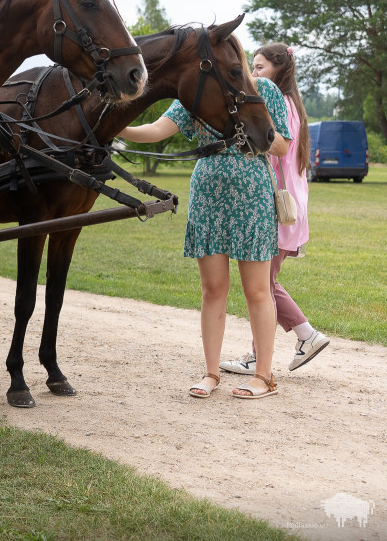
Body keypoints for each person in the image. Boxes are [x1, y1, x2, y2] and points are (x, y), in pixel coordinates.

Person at [119, 46, 291, 400]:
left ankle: (264, 376)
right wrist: (119, 128)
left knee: (257, 290)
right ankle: (211, 372)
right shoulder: (196, 92)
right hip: (208, 193)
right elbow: (157, 129)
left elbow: (284, 146)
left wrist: (253, 128)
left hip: (252, 193)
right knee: (213, 289)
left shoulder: (263, 89)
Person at [220, 43, 329, 375]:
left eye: (259, 67)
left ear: (279, 69)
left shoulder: (277, 102)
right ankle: (299, 338)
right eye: (252, 68)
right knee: (266, 283)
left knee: (262, 285)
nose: (254, 74)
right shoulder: (293, 104)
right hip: (291, 206)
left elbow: (277, 150)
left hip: (277, 207)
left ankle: (291, 342)